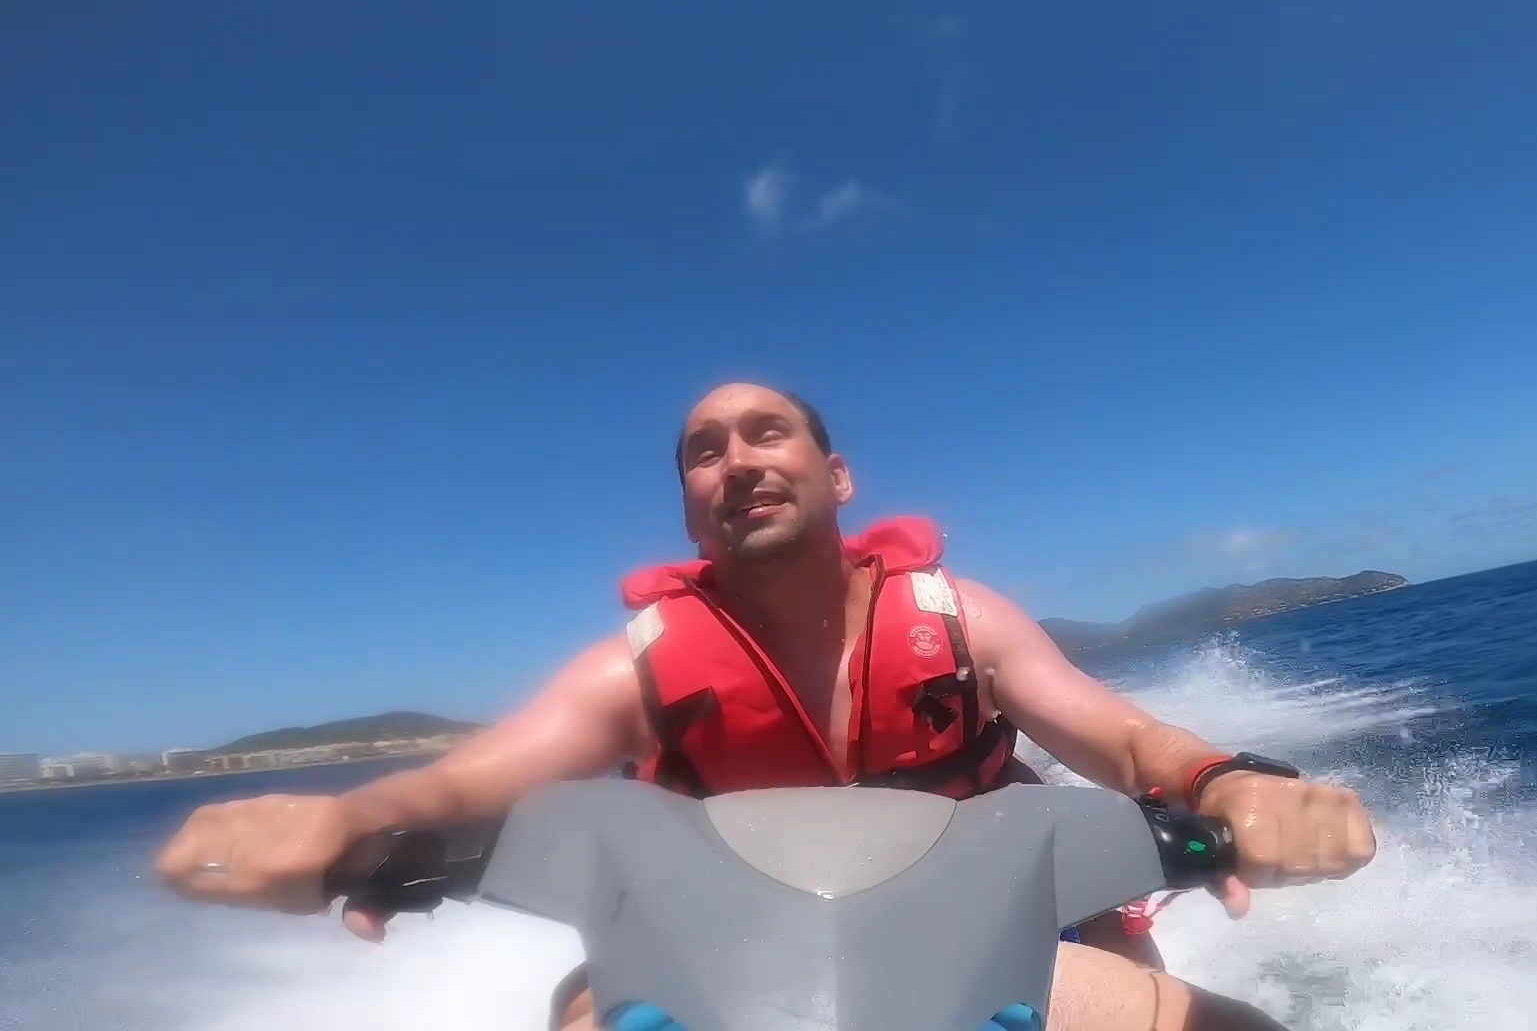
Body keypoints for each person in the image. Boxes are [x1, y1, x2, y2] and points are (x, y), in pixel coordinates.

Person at [155, 383, 1377, 1031]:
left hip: (1014, 945)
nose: (737, 459)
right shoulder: (639, 668)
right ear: (692, 507)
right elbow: (475, 779)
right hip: (725, 974)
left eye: (766, 433)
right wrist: (348, 821)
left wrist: (1227, 784)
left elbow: (1116, 733)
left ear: (834, 476)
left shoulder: (958, 619)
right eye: (705, 449)